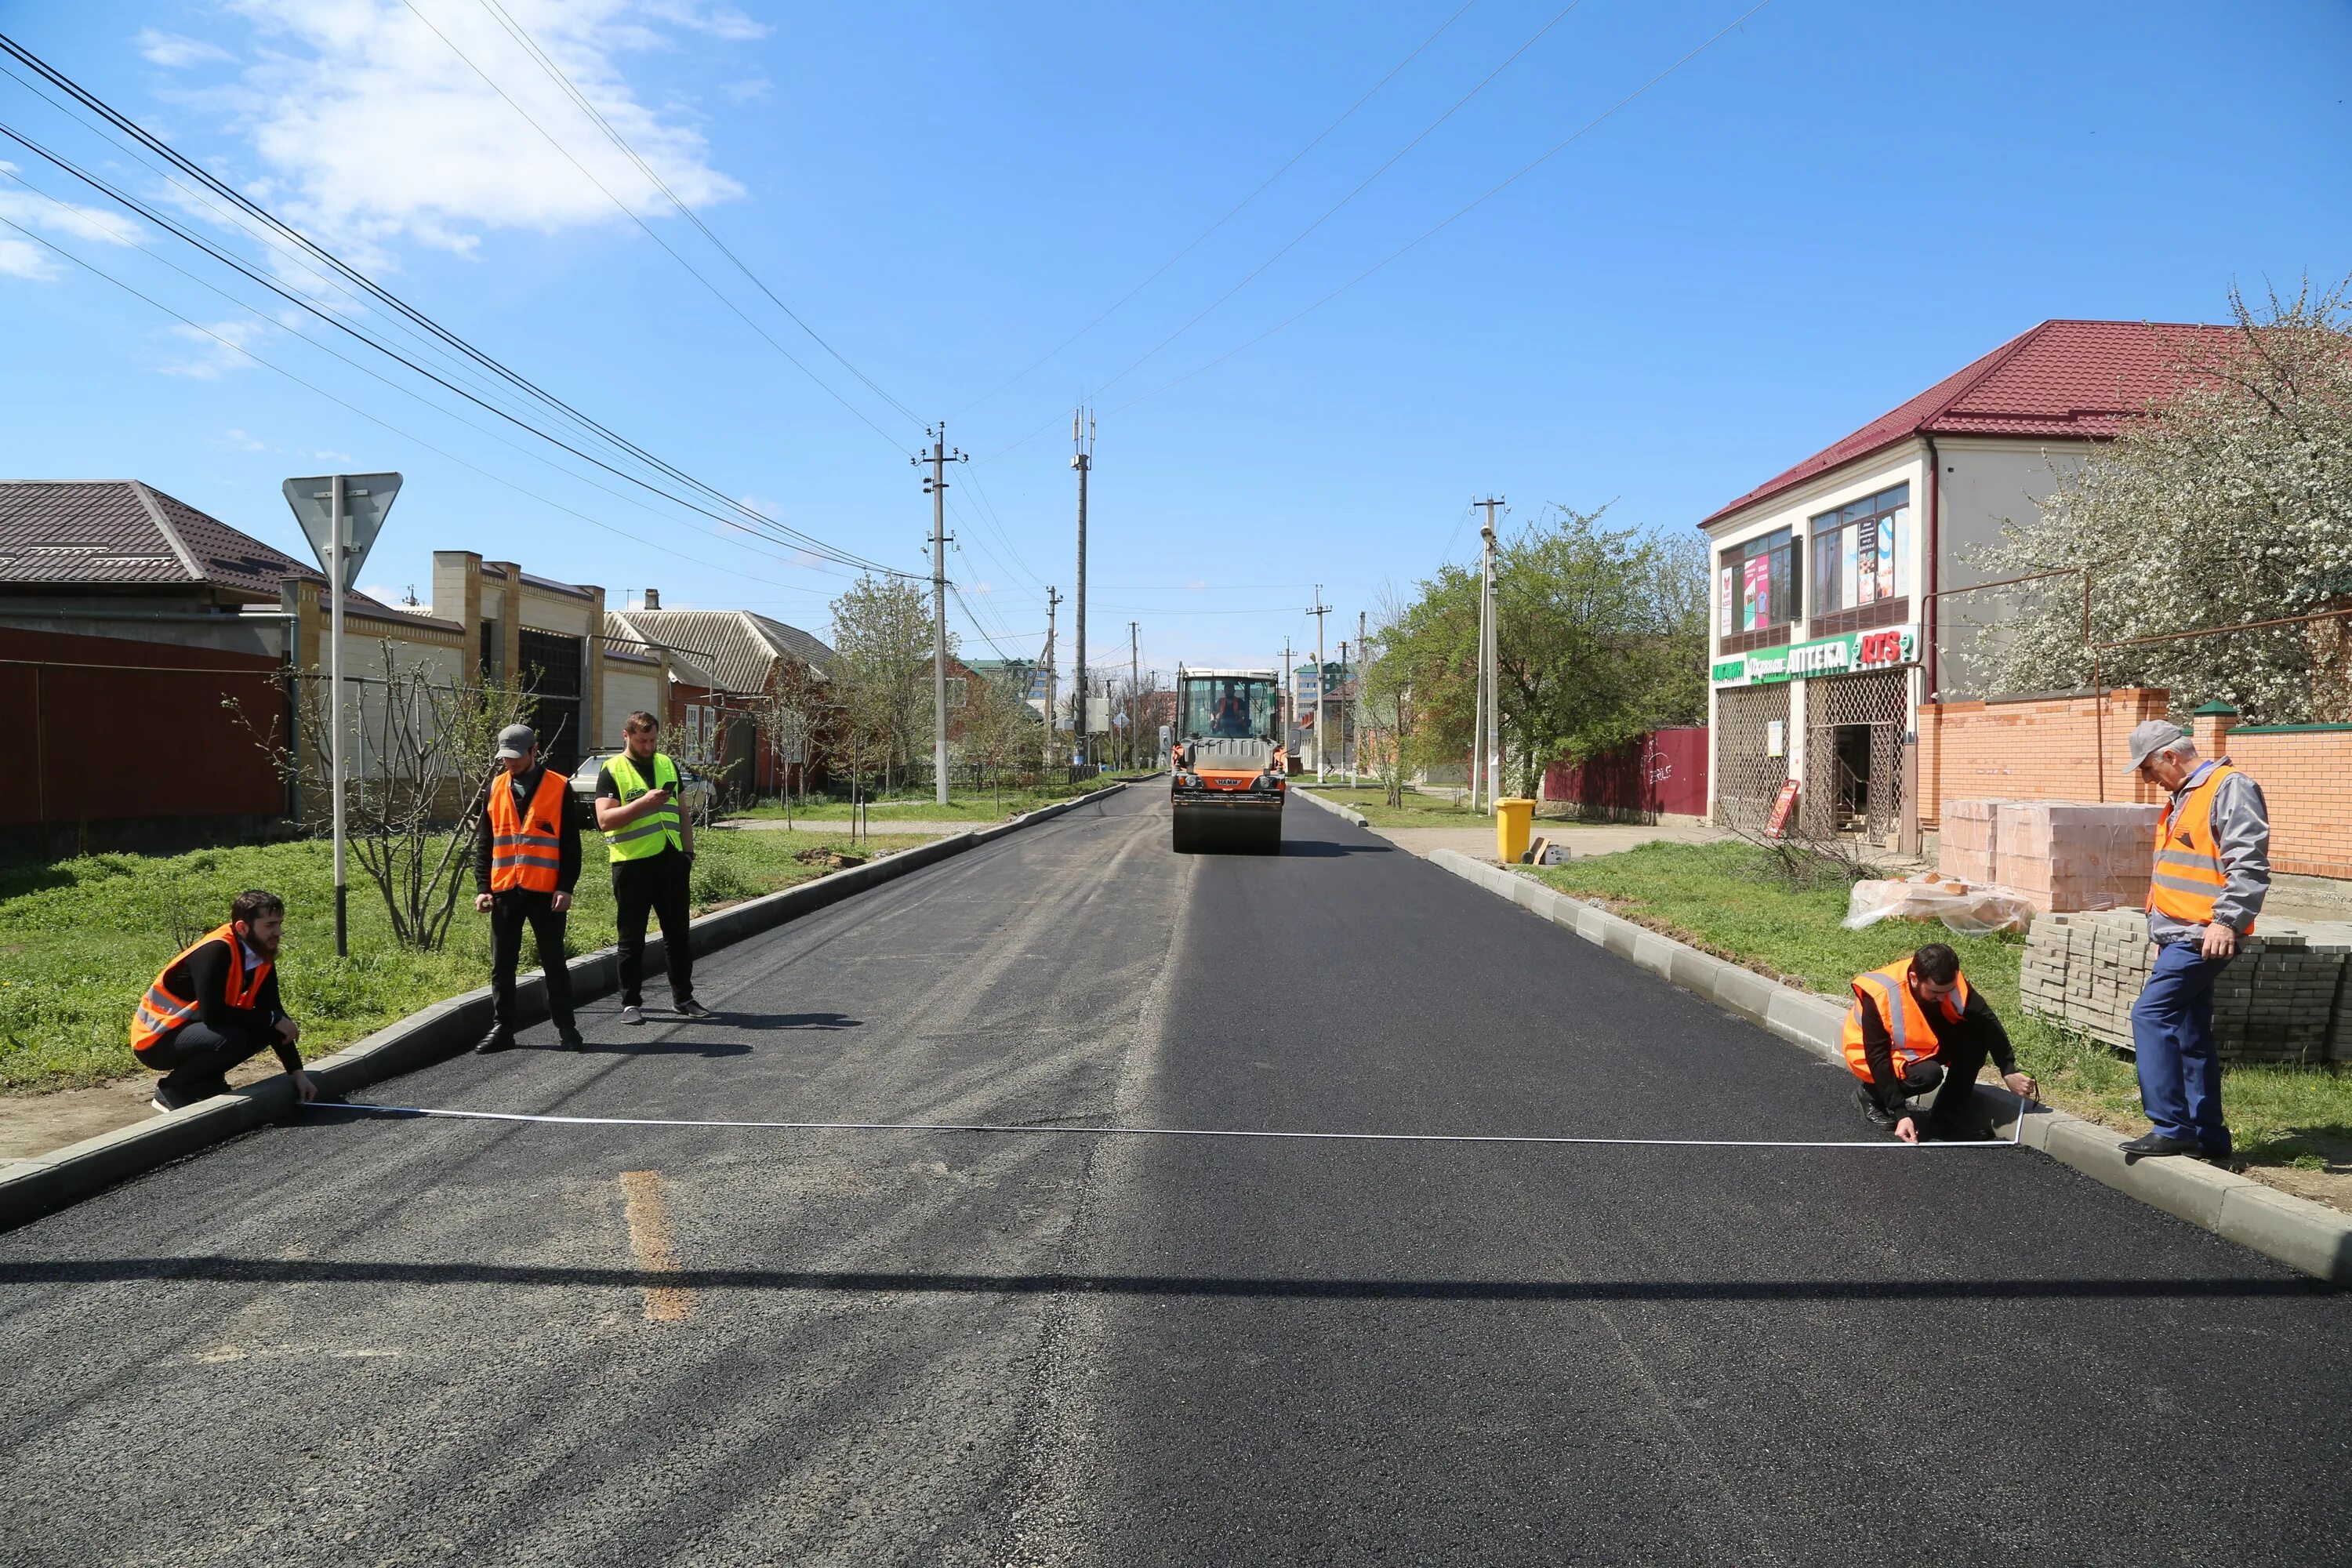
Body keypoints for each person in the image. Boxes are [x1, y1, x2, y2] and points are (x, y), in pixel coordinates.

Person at [2120, 720, 2270, 1161]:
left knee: (2150, 1014)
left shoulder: (2230, 787)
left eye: (2148, 769)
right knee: (2189, 1034)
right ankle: (2208, 1138)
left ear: (2170, 756)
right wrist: (2163, 931)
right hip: (2181, 936)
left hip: (2205, 934)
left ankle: (2171, 1127)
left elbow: (2249, 862)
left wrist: (2227, 920)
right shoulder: (2182, 797)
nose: (2147, 780)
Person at [132, 888, 316, 1112]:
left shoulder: (261, 954)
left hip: (193, 1030)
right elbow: (214, 1014)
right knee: (234, 1037)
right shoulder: (217, 950)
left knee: (268, 1027)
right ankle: (172, 1089)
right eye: (269, 925)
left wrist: (298, 1074)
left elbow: (273, 1010)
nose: (278, 932)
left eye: (279, 923)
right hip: (156, 1040)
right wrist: (271, 1018)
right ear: (242, 927)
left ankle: (206, 1083)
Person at [1842, 942, 2037, 1142]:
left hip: (1919, 1043)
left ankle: (1946, 1116)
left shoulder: (1951, 982)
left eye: (1948, 990)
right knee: (1929, 1075)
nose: (1944, 997)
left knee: (1976, 1037)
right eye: (1935, 992)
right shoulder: (1880, 995)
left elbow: (1986, 1021)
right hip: (1871, 1054)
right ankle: (1870, 1094)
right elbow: (1878, 1058)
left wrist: (2008, 1069)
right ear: (1914, 979)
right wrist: (1901, 1113)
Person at [474, 722, 584, 1052]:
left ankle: (567, 1029)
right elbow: (485, 842)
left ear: (535, 751)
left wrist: (566, 887)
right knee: (502, 964)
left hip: (546, 892)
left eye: (517, 757)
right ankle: (503, 1029)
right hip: (505, 890)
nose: (511, 763)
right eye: (505, 758)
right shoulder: (495, 787)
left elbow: (571, 845)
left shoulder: (559, 787)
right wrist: (483, 887)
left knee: (554, 963)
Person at [596, 710, 712, 1026]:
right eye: (641, 740)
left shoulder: (667, 764)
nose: (648, 746)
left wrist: (688, 853)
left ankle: (683, 998)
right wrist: (642, 804)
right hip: (632, 865)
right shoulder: (612, 770)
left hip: (671, 861)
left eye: (652, 740)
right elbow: (604, 820)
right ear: (626, 736)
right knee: (631, 938)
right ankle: (631, 1003)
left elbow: (682, 814)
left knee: (677, 934)